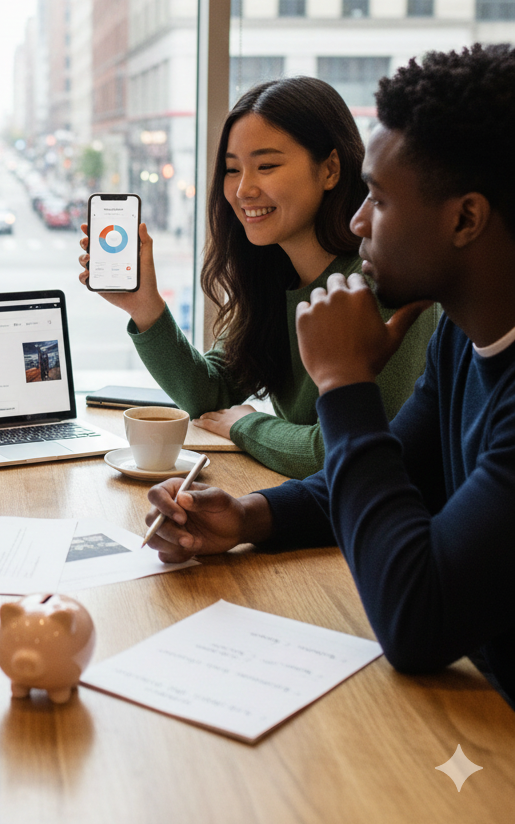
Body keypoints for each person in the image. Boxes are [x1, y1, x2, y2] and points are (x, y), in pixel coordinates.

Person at [144, 45, 515, 707]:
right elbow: (391, 465)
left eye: (377, 198)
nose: (357, 220)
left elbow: (415, 623)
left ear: (465, 218)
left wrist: (344, 381)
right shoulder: (462, 339)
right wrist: (249, 516)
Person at [79, 76, 437, 478]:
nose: (243, 189)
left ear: (330, 169)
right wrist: (145, 306)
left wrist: (248, 425)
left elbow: (347, 451)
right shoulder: (276, 276)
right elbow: (210, 394)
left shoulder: (379, 282)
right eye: (233, 170)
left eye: (266, 166)